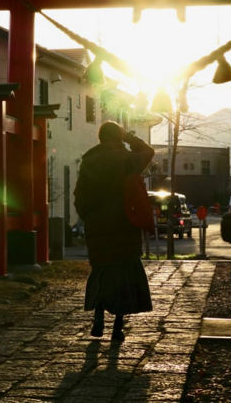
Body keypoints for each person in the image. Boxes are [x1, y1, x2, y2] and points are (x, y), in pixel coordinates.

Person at [73, 121, 155, 341]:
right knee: (124, 275)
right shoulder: (127, 159)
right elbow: (148, 151)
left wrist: (89, 215)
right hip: (124, 224)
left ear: (100, 138)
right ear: (118, 138)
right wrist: (129, 136)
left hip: (97, 226)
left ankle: (98, 317)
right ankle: (118, 327)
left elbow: (79, 195)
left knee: (102, 270)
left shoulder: (88, 161)